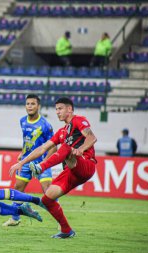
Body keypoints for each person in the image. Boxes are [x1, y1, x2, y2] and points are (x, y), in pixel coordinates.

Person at [9, 97, 98, 239]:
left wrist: (80, 149)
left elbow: (92, 138)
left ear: (69, 109)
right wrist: (22, 162)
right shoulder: (62, 131)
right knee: (47, 198)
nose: (57, 112)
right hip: (71, 170)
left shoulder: (79, 120)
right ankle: (66, 230)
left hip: (86, 164)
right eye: (56, 109)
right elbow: (42, 148)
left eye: (60, 108)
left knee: (66, 147)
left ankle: (40, 167)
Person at [3, 94, 56, 227]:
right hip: (26, 162)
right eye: (28, 104)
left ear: (38, 106)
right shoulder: (22, 121)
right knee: (17, 189)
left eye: (33, 104)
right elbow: (28, 141)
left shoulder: (45, 125)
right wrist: (22, 153)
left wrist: (45, 163)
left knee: (48, 191)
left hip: (41, 163)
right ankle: (15, 218)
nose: (30, 106)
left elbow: (53, 146)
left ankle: (60, 221)